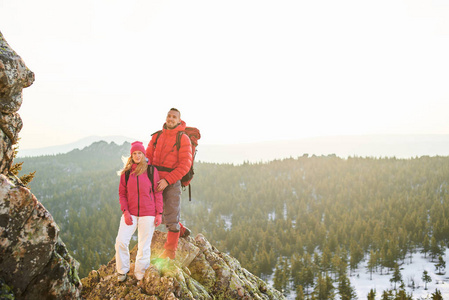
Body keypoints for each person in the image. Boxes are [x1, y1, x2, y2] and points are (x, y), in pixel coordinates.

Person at [146, 108, 192, 260]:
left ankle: (169, 254)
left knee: (171, 218)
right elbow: (148, 157)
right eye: (169, 116)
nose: (171, 119)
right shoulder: (157, 136)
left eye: (174, 117)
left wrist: (167, 180)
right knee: (157, 213)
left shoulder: (183, 138)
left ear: (179, 120)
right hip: (155, 181)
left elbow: (185, 164)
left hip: (172, 182)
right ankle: (182, 230)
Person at [115, 141, 163, 282]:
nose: (137, 156)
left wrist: (159, 213)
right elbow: (122, 194)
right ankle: (122, 271)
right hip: (130, 213)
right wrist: (125, 212)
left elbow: (157, 193)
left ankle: (139, 273)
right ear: (131, 155)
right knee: (121, 241)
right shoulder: (126, 173)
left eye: (139, 153)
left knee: (144, 245)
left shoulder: (151, 171)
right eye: (134, 153)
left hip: (148, 213)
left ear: (143, 154)